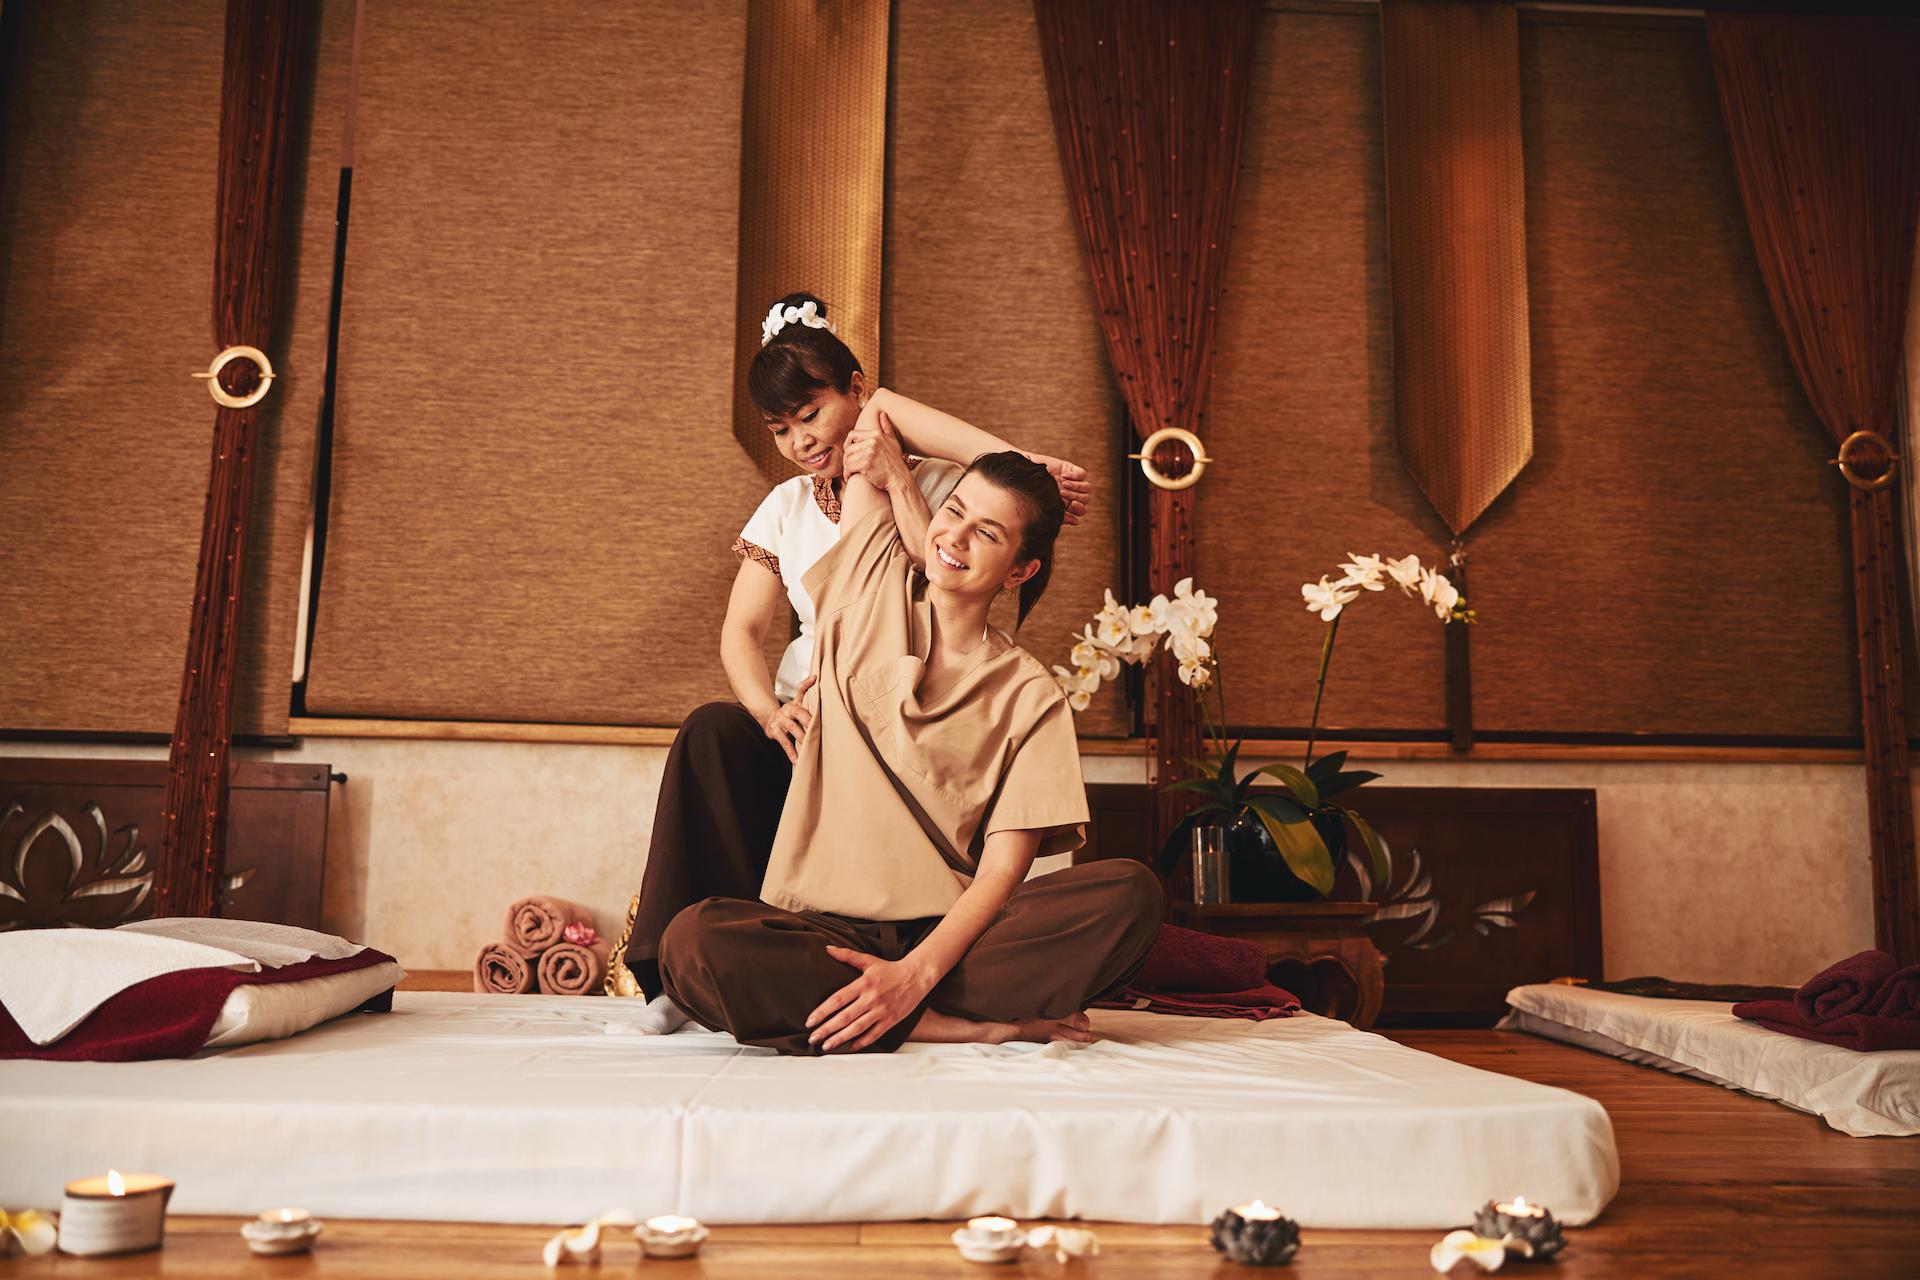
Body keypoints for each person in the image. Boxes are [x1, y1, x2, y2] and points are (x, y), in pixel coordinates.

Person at [621, 293, 1091, 998]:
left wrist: (1019, 463)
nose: (801, 441)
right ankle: (672, 976)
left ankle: (874, 964)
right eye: (781, 429)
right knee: (712, 733)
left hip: (899, 720)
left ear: (857, 390)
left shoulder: (942, 488)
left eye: (811, 414)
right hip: (806, 721)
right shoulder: (785, 507)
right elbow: (741, 631)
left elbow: (943, 572)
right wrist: (770, 714)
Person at [657, 441, 1163, 1054]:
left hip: (951, 943)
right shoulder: (865, 586)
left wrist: (914, 974)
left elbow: (1002, 872)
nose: (956, 537)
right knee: (692, 942)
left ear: (1020, 571)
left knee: (1130, 894)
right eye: (954, 510)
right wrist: (990, 467)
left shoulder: (1032, 695)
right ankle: (953, 1025)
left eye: (987, 533)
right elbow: (872, 423)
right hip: (826, 932)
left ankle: (886, 1004)